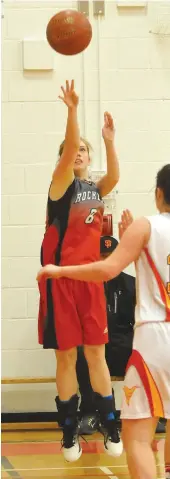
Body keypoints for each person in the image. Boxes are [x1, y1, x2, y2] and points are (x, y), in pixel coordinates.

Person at [37, 163, 170, 478]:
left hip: (155, 339)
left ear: (158, 194)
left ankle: (103, 427)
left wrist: (60, 271)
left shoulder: (145, 227)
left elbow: (107, 271)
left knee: (137, 437)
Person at [38, 79, 122, 462]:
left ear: (89, 158)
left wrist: (107, 140)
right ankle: (69, 432)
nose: (78, 153)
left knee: (97, 355)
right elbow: (69, 145)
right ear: (64, 158)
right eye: (74, 150)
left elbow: (114, 178)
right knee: (66, 357)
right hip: (61, 283)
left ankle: (109, 422)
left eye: (84, 150)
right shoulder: (60, 186)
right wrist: (72, 111)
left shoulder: (94, 189)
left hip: (91, 282)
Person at [77, 235, 136, 436]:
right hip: (94, 344)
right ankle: (91, 413)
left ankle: (146, 413)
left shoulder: (131, 284)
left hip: (122, 344)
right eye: (101, 256)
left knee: (145, 354)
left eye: (110, 256)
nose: (105, 261)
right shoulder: (84, 285)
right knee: (82, 355)